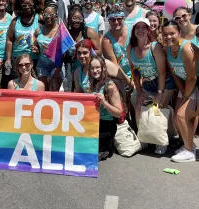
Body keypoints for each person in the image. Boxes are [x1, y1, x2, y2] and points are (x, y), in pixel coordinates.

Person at [127, 18, 175, 154]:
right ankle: (143, 138)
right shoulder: (130, 48)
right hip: (147, 82)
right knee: (138, 106)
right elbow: (134, 70)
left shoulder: (155, 47)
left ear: (149, 30)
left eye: (144, 27)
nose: (140, 30)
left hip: (164, 82)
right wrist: (140, 90)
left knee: (157, 109)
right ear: (134, 31)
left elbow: (162, 72)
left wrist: (159, 92)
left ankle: (161, 141)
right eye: (137, 27)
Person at [162, 20, 199, 162]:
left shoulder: (186, 48)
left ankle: (189, 152)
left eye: (172, 33)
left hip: (195, 84)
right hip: (188, 85)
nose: (168, 37)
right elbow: (176, 75)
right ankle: (189, 146)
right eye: (165, 34)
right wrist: (183, 93)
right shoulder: (167, 50)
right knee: (178, 118)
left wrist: (186, 96)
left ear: (179, 33)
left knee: (182, 115)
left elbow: (192, 77)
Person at [85, 56, 124, 161]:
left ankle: (109, 147)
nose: (94, 71)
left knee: (94, 154)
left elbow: (119, 113)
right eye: (92, 68)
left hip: (107, 124)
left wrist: (104, 102)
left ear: (103, 69)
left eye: (97, 67)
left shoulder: (110, 86)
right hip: (94, 123)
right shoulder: (92, 83)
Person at [5, 0, 43, 79]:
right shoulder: (15, 21)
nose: (27, 7)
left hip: (34, 59)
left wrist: (39, 49)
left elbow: (47, 36)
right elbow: (9, 40)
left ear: (34, 5)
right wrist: (8, 59)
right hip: (17, 59)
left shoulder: (40, 19)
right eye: (24, 5)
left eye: (29, 4)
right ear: (20, 5)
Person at [31, 5, 62, 91]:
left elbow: (63, 52)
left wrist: (58, 68)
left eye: (51, 15)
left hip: (55, 64)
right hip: (42, 64)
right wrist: (36, 50)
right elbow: (35, 45)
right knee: (42, 90)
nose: (48, 17)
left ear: (56, 16)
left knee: (54, 91)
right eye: (45, 15)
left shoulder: (60, 30)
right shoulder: (39, 30)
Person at [102, 6, 132, 80]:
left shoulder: (132, 32)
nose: (116, 22)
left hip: (135, 72)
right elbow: (114, 65)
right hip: (118, 76)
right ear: (108, 21)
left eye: (119, 19)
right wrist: (129, 82)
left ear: (124, 19)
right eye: (113, 20)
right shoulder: (106, 40)